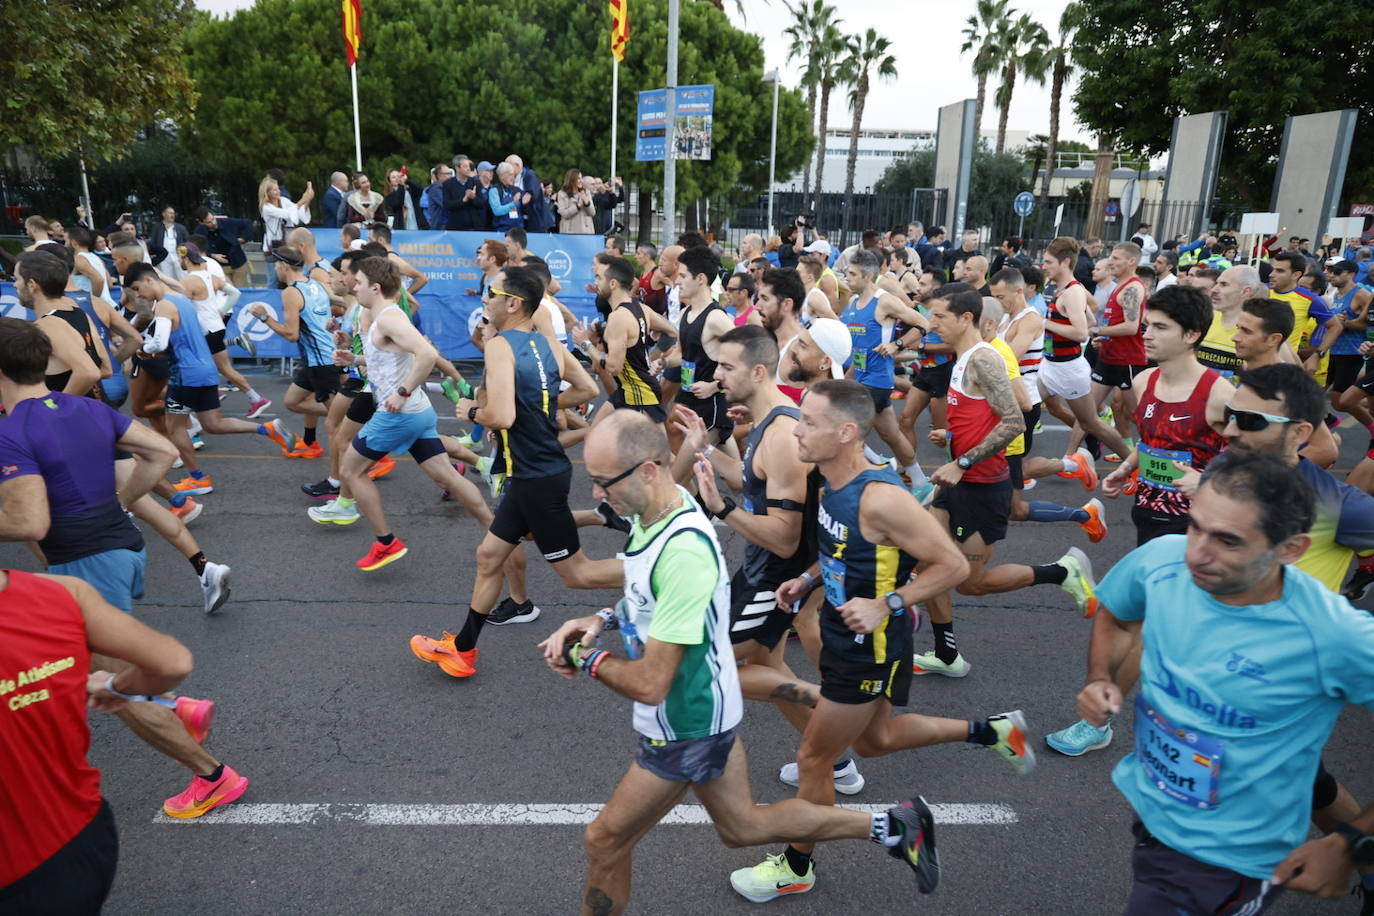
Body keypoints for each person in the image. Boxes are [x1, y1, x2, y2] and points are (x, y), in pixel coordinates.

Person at [536, 410, 946, 914]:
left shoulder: (683, 551)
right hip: (709, 711)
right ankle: (895, 825)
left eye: (603, 482)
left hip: (684, 725)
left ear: (647, 470)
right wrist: (601, 619)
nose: (597, 495)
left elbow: (649, 684)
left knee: (603, 840)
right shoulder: (657, 514)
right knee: (742, 828)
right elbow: (645, 591)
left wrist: (588, 658)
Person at [727, 379, 1034, 901]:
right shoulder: (827, 480)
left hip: (865, 648)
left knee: (813, 759)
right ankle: (993, 732)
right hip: (850, 636)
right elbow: (845, 553)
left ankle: (798, 865)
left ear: (846, 433)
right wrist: (807, 580)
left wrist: (888, 604)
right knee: (875, 741)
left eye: (809, 423)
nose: (796, 430)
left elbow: (953, 565)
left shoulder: (881, 498)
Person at [1078, 452, 1374, 915]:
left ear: (1290, 549)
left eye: (1228, 541)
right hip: (1154, 818)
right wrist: (1100, 678)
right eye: (1195, 526)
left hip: (1230, 861)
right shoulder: (1163, 560)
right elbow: (1117, 613)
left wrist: (1354, 844)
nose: (1197, 552)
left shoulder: (1333, 634)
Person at [410, 265, 610, 677]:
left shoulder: (500, 345)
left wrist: (471, 410)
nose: (485, 301)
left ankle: (664, 569)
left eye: (491, 294)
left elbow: (499, 415)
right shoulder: (547, 344)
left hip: (535, 477)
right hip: (533, 474)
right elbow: (588, 390)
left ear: (513, 303)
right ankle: (463, 651)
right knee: (488, 556)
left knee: (577, 574)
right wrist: (542, 406)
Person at [912, 286, 1093, 676]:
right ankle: (947, 656)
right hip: (958, 482)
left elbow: (1014, 420)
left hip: (982, 486)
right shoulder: (964, 358)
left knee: (970, 584)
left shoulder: (984, 360)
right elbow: (989, 416)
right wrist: (955, 437)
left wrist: (962, 459)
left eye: (939, 316)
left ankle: (1061, 571)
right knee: (931, 563)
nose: (931, 324)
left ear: (965, 319)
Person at [0, 566, 196, 913]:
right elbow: (173, 663)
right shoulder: (63, 593)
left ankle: (209, 767)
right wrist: (112, 687)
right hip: (80, 842)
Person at [328, 256, 474, 569]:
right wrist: (354, 360)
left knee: (351, 471)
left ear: (375, 287)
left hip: (400, 412)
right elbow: (387, 360)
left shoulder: (387, 317)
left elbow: (427, 354)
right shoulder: (379, 315)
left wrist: (401, 392)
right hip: (417, 411)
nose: (352, 283)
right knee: (447, 476)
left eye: (359, 281)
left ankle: (386, 543)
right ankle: (497, 524)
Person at [125, 263, 300, 491]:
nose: (138, 295)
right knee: (213, 424)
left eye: (137, 288)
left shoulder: (165, 306)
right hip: (205, 370)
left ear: (149, 280)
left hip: (185, 374)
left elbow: (159, 341)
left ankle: (197, 478)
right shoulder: (183, 300)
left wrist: (143, 350)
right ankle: (267, 428)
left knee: (175, 427)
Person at [840, 248, 932, 498]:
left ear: (868, 276)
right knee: (891, 434)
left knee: (844, 430)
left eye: (852, 274)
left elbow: (923, 323)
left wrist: (897, 345)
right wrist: (848, 376)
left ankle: (874, 471)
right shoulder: (851, 303)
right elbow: (860, 347)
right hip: (859, 378)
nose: (846, 278)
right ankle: (921, 483)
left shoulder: (884, 301)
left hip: (877, 381)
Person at [1037, 237, 1135, 461]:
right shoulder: (1066, 289)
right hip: (1051, 364)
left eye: (1048, 262)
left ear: (1064, 263)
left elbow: (1081, 333)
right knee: (1025, 407)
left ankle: (1131, 464)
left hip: (1068, 368)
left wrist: (1045, 323)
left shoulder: (1072, 291)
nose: (1044, 266)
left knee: (1091, 422)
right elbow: (1090, 321)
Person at [249, 246, 340, 458]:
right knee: (293, 402)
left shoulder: (291, 292)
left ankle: (372, 453)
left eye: (276, 266)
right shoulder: (314, 283)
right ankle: (316, 439)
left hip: (321, 362)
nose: (276, 271)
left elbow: (291, 334)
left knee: (338, 421)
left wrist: (264, 317)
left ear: (284, 265)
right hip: (319, 358)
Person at [573, 253, 677, 424]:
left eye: (599, 278)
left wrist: (584, 345)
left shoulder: (618, 317)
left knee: (656, 451)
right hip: (626, 390)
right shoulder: (641, 308)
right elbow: (672, 331)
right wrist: (650, 341)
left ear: (613, 284)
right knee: (594, 435)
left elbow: (613, 367)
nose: (596, 282)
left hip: (640, 394)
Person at [668, 246, 736, 452]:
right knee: (672, 426)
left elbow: (747, 354)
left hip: (711, 402)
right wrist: (659, 362)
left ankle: (685, 483)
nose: (677, 281)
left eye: (683, 276)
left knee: (679, 471)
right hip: (689, 391)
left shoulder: (716, 317)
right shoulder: (685, 313)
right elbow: (680, 354)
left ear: (701, 279)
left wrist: (715, 386)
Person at [260, 175, 313, 251]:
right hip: (274, 245)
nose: (278, 191)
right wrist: (303, 199)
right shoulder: (266, 208)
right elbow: (287, 214)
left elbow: (298, 211)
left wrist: (308, 199)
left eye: (278, 189)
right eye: (274, 190)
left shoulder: (283, 200)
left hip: (287, 241)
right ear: (267, 193)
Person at [507, 154, 552, 233]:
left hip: (536, 221)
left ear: (517, 165)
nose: (507, 170)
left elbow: (528, 197)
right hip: (523, 221)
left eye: (508, 167)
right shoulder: (512, 179)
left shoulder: (529, 175)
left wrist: (519, 199)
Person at [555, 169, 596, 234]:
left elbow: (592, 213)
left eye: (581, 178)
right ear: (572, 180)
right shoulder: (562, 194)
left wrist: (587, 203)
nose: (581, 181)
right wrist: (578, 206)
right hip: (569, 233)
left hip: (586, 232)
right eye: (578, 178)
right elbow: (564, 214)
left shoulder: (586, 192)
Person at [489, 163, 525, 232]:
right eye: (510, 175)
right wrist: (513, 203)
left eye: (514, 175)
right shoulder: (494, 190)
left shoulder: (517, 189)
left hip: (519, 232)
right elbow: (497, 211)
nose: (513, 178)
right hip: (502, 231)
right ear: (502, 176)